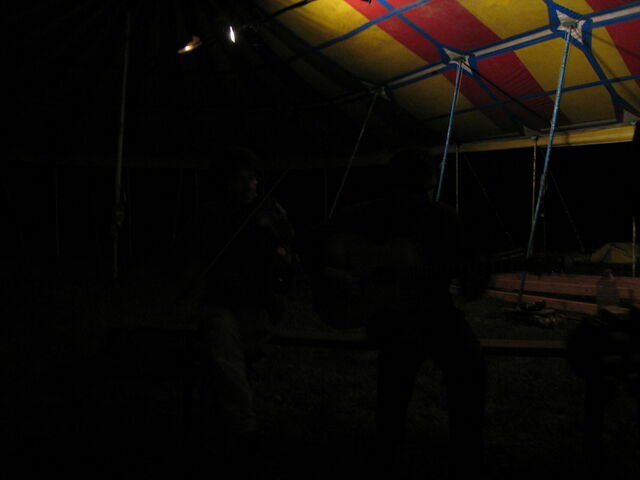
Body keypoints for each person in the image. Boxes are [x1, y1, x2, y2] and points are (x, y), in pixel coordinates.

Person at [317, 148, 487, 478]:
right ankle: (390, 445)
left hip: (436, 311)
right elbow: (317, 246)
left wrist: (473, 279)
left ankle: (464, 452)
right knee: (403, 348)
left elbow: (465, 268)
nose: (419, 200)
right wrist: (337, 274)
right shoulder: (365, 216)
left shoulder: (442, 218)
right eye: (414, 191)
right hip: (389, 314)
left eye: (422, 192)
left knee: (469, 363)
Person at [177, 146, 295, 464]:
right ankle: (243, 427)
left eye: (253, 178)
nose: (251, 185)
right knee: (220, 335)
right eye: (243, 178)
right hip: (220, 302)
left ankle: (229, 422)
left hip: (259, 304)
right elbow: (189, 261)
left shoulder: (269, 215)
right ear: (225, 182)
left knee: (222, 350)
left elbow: (287, 264)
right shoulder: (208, 216)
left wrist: (281, 258)